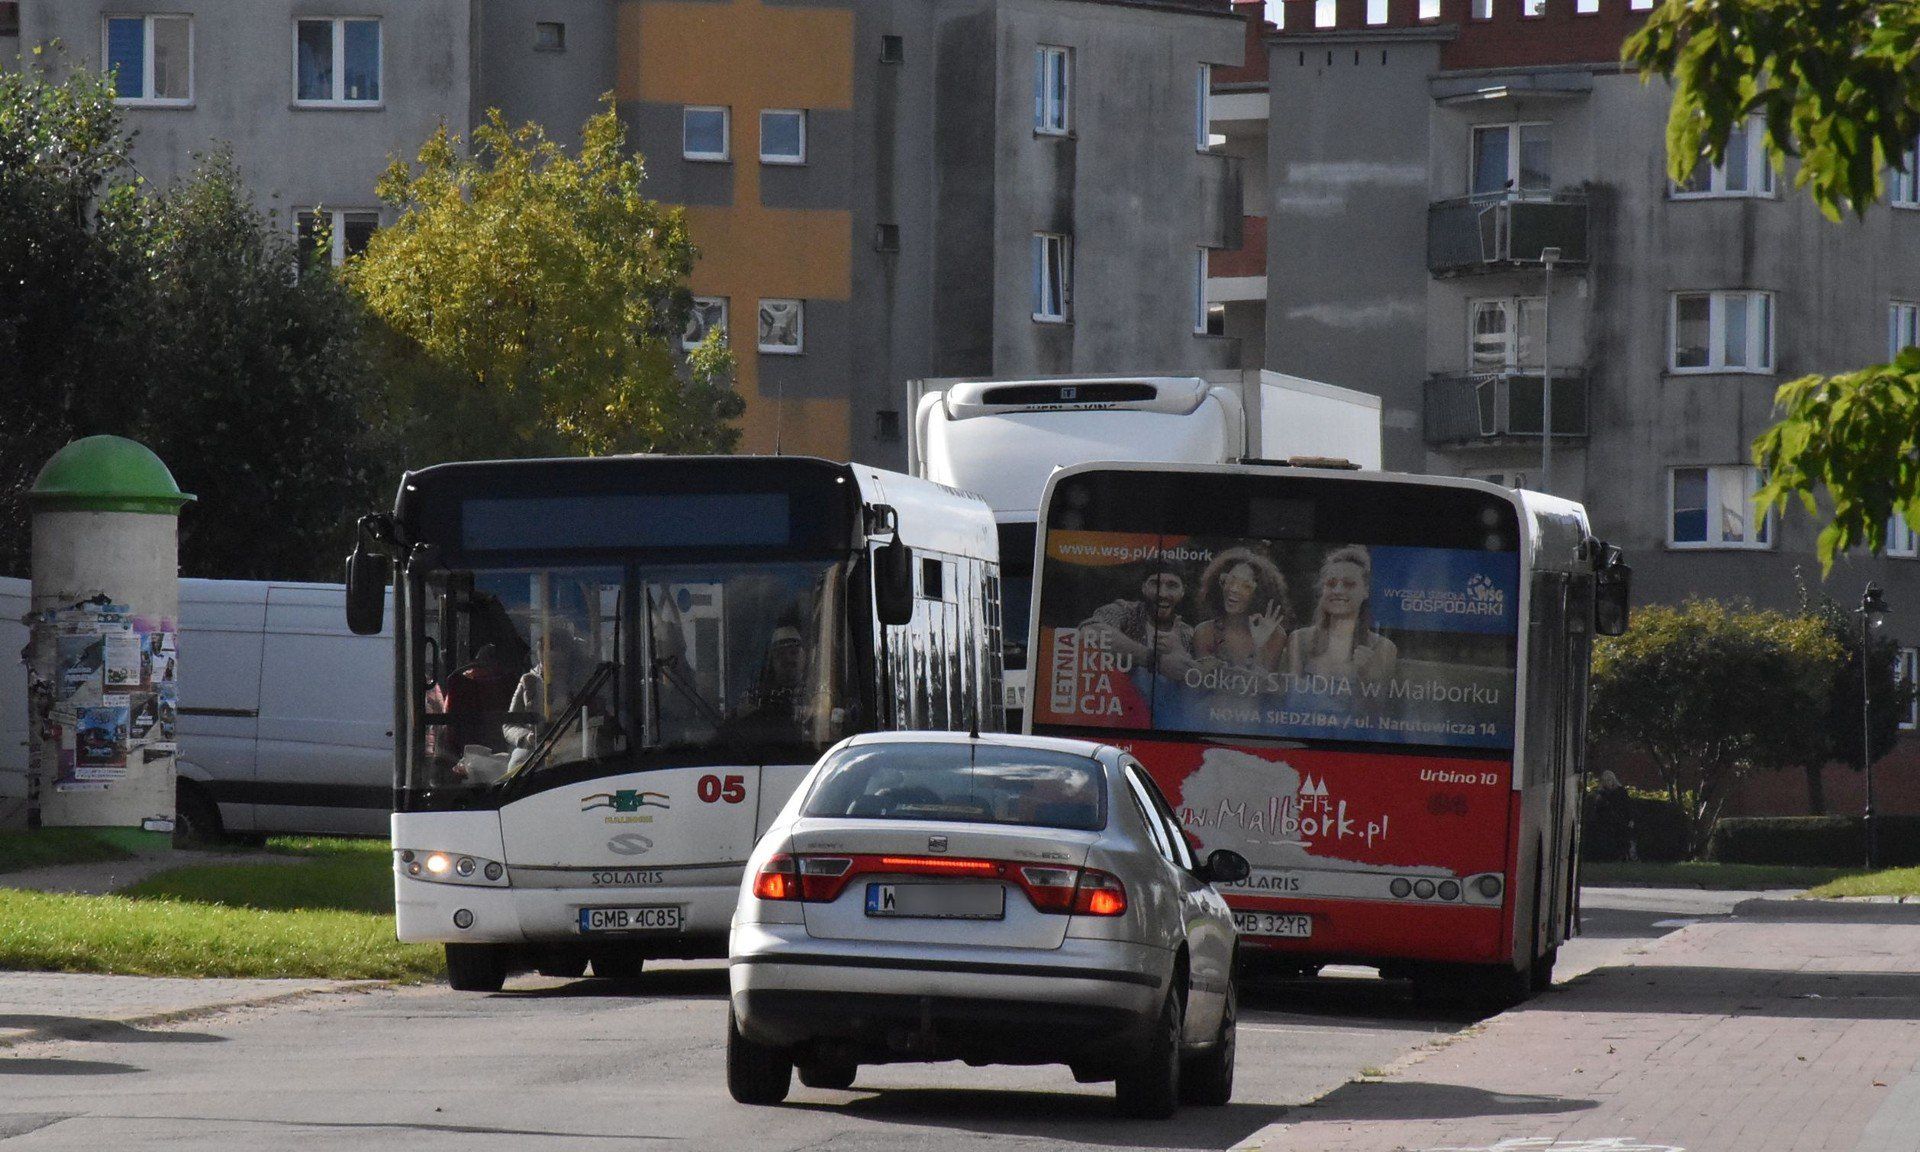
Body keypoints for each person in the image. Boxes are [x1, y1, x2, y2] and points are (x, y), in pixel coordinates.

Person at [1287, 545, 1398, 687]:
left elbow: (1379, 708)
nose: (1338, 590)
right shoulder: (1300, 639)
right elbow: (1290, 700)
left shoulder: (1383, 648)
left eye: (1349, 584)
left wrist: (1366, 676)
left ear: (1366, 591)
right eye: (1331, 584)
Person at [1078, 561, 1198, 678]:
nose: (1162, 593)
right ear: (1143, 587)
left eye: (1172, 586)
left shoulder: (1188, 634)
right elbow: (1089, 632)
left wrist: (1181, 655)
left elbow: (1202, 684)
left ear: (1183, 591)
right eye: (1155, 584)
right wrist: (1155, 660)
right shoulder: (1124, 611)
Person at [1192, 548, 1291, 672]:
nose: (1233, 589)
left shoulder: (1275, 635)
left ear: (1260, 594)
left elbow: (1264, 687)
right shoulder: (1205, 632)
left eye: (1245, 586)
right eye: (1229, 580)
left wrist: (1259, 646)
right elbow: (1204, 686)